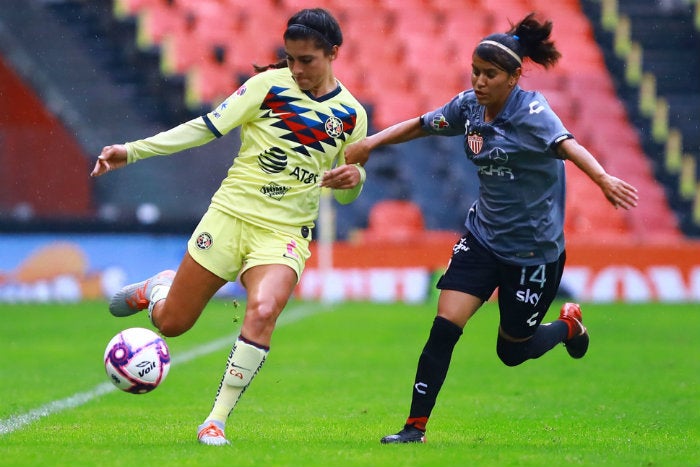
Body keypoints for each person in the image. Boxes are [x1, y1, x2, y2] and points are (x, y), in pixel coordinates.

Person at [342, 12, 639, 444]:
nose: (479, 82)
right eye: (475, 72)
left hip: (533, 252)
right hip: (482, 239)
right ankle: (414, 428)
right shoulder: (469, 107)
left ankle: (570, 326)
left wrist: (604, 180)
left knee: (512, 351)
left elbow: (568, 146)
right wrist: (371, 142)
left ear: (514, 77)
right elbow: (423, 124)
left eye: (490, 74)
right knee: (444, 327)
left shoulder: (535, 113)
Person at [91, 8, 367, 446]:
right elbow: (204, 129)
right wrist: (133, 151)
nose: (296, 69)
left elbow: (347, 189)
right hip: (230, 217)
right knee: (171, 324)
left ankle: (215, 421)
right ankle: (160, 289)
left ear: (333, 53)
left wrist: (354, 179)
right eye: (290, 59)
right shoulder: (266, 87)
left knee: (262, 311)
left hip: (285, 234)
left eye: (307, 60)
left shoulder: (351, 116)